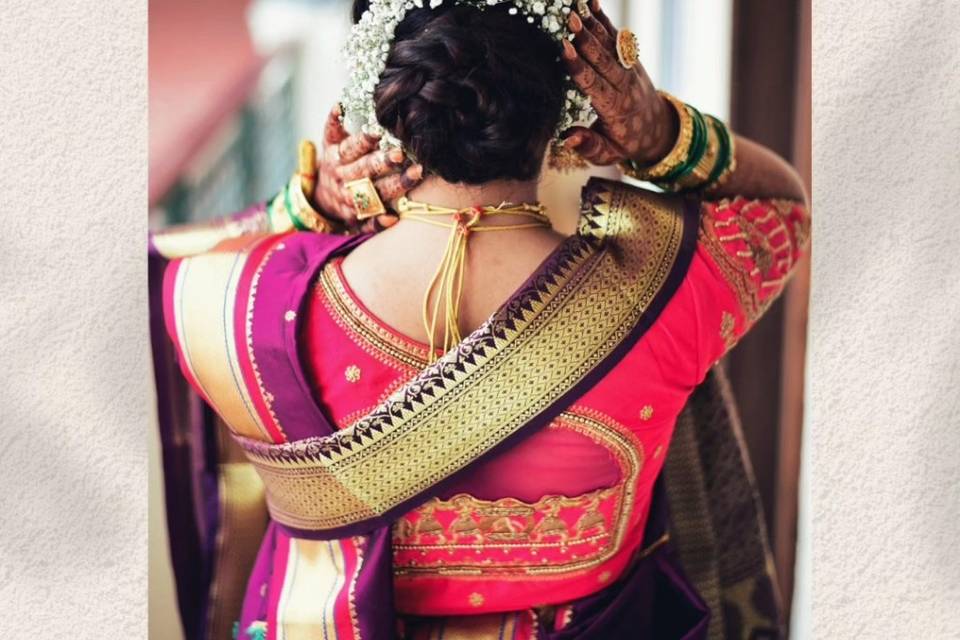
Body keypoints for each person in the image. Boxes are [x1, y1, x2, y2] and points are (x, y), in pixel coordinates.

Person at [152, 0, 809, 637]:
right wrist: (662, 134)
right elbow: (783, 207)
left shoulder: (244, 305)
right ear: (565, 119)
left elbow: (167, 264)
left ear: (382, 115)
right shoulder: (668, 288)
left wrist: (312, 204)